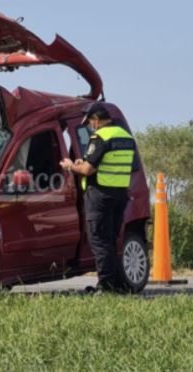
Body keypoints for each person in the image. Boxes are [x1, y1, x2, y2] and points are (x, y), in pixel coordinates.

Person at [60, 103, 136, 293]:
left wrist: (70, 166)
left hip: (100, 195)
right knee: (110, 241)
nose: (90, 126)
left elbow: (87, 170)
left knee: (100, 242)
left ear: (96, 119)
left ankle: (105, 287)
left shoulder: (100, 137)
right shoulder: (126, 137)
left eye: (90, 123)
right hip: (120, 195)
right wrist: (83, 162)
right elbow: (114, 162)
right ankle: (118, 284)